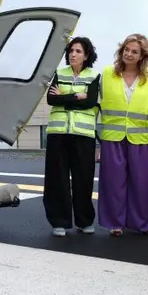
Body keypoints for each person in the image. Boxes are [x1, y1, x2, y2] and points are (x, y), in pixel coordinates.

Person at [96, 34, 148, 237]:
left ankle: (145, 223)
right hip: (112, 136)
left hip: (140, 136)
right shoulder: (108, 73)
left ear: (142, 55)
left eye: (134, 51)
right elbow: (98, 102)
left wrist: (145, 120)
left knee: (141, 182)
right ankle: (114, 223)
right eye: (126, 49)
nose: (129, 54)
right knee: (113, 182)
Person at [44, 36, 100, 236]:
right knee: (56, 178)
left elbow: (90, 102)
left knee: (83, 178)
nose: (73, 54)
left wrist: (64, 98)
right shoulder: (59, 73)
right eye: (71, 51)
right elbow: (51, 99)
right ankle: (59, 221)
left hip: (84, 134)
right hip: (58, 133)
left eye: (78, 51)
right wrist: (77, 96)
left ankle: (84, 221)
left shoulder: (94, 76)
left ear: (86, 56)